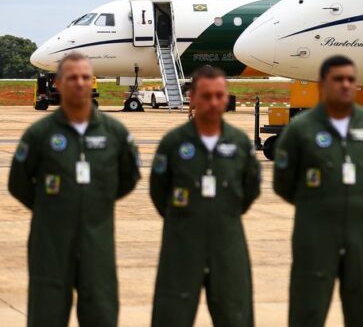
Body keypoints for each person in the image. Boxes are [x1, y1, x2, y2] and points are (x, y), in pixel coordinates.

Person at [8, 52, 140, 327]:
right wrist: (51, 206)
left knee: (101, 313)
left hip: (97, 239)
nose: (79, 83)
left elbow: (129, 177)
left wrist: (95, 202)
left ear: (92, 82)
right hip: (50, 241)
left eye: (84, 77)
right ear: (57, 83)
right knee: (46, 314)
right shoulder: (39, 134)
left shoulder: (114, 133)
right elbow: (18, 183)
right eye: (72, 78)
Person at [273, 55, 363, 327]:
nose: (345, 85)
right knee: (308, 309)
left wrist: (357, 198)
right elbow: (283, 182)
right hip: (314, 234)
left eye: (351, 80)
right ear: (322, 84)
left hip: (361, 234)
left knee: (362, 309)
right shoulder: (300, 129)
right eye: (338, 79)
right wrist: (318, 202)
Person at [149, 65, 261, 326]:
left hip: (228, 244)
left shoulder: (239, 143)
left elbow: (250, 189)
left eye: (219, 96)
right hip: (181, 244)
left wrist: (222, 213)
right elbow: (159, 191)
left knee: (235, 315)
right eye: (206, 96)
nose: (213, 102)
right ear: (192, 98)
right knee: (172, 316)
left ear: (226, 98)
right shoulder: (173, 143)